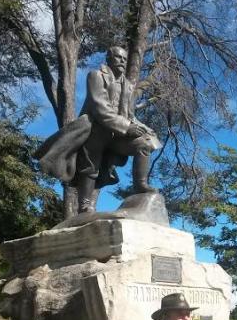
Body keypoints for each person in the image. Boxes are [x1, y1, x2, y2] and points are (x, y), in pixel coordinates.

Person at [36, 45, 162, 213]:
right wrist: (126, 127)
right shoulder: (96, 76)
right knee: (90, 166)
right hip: (96, 130)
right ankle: (85, 205)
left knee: (145, 143)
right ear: (109, 59)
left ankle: (140, 185)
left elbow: (130, 115)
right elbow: (100, 108)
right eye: (118, 58)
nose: (122, 61)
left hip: (117, 135)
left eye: (125, 59)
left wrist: (143, 128)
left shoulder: (129, 86)